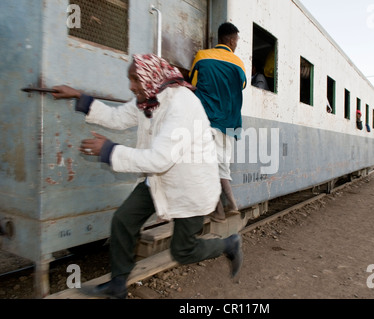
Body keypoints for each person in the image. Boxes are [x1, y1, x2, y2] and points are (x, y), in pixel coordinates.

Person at [51, 54, 243, 299]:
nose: (131, 86)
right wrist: (80, 96)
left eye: (135, 79)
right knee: (123, 220)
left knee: (183, 251)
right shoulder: (148, 100)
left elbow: (160, 158)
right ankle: (118, 284)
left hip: (191, 186)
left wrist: (109, 151)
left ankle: (229, 244)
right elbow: (117, 117)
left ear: (151, 77)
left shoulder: (182, 104)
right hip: (159, 181)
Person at [189, 22, 246, 223]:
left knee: (207, 166)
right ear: (230, 41)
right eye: (237, 41)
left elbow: (193, 83)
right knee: (222, 166)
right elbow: (243, 84)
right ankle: (232, 204)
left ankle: (219, 211)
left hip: (208, 120)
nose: (236, 44)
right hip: (229, 123)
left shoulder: (202, 56)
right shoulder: (238, 63)